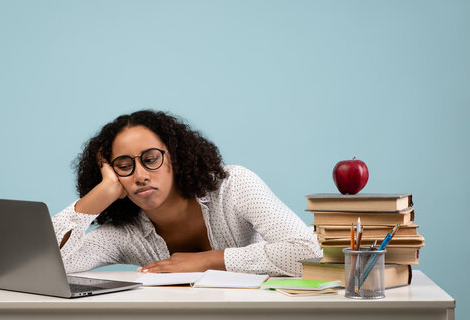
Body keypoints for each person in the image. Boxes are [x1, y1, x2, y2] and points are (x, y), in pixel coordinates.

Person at [52, 110, 322, 276]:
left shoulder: (234, 185)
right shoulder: (127, 235)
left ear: (176, 158)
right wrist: (99, 196)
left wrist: (204, 261)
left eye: (151, 158)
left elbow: (307, 252)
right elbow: (49, 265)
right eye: (124, 166)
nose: (140, 174)